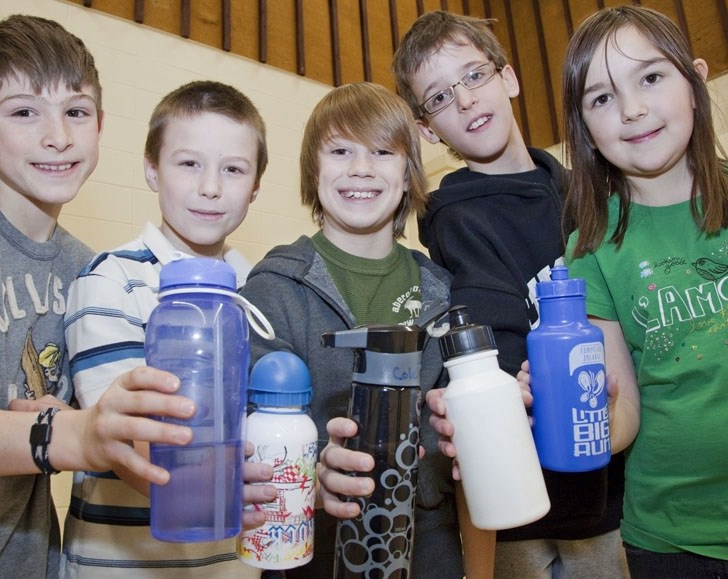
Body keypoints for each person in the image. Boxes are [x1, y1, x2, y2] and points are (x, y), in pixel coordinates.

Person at [0, 15, 206, 578]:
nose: (58, 135)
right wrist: (62, 433)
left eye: (76, 111)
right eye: (24, 112)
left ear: (100, 123)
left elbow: (97, 435)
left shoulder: (87, 267)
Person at [392, 10, 628, 578]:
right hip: (517, 513)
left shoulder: (586, 195)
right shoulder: (453, 220)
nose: (467, 101)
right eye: (441, 97)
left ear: (509, 78)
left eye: (475, 76)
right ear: (428, 129)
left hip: (615, 499)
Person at [239, 82, 464, 579]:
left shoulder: (442, 291)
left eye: (383, 152)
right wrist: (312, 476)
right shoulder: (275, 288)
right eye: (340, 151)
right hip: (311, 549)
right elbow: (247, 438)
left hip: (431, 544)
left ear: (408, 177)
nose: (361, 168)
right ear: (313, 172)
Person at [60, 80, 276, 578]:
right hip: (121, 567)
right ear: (151, 170)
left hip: (232, 568)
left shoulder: (260, 294)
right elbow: (121, 442)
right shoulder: (111, 280)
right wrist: (245, 481)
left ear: (256, 187)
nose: (211, 187)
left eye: (234, 169)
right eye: (188, 163)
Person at [552, 6, 727, 577]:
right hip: (669, 538)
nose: (632, 109)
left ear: (695, 84)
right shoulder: (589, 248)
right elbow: (623, 412)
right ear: (585, 131)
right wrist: (589, 407)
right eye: (601, 98)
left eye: (650, 77)